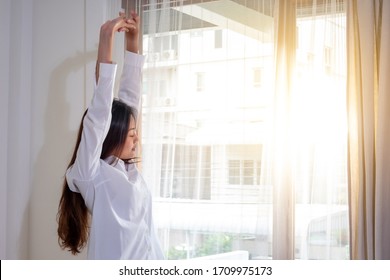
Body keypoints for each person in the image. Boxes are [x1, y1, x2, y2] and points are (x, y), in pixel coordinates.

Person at [57, 11, 164, 260]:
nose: (136, 139)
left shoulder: (129, 172)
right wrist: (106, 40)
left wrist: (133, 42)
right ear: (110, 136)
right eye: (130, 135)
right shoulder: (91, 175)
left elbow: (129, 97)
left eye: (135, 133)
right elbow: (99, 115)